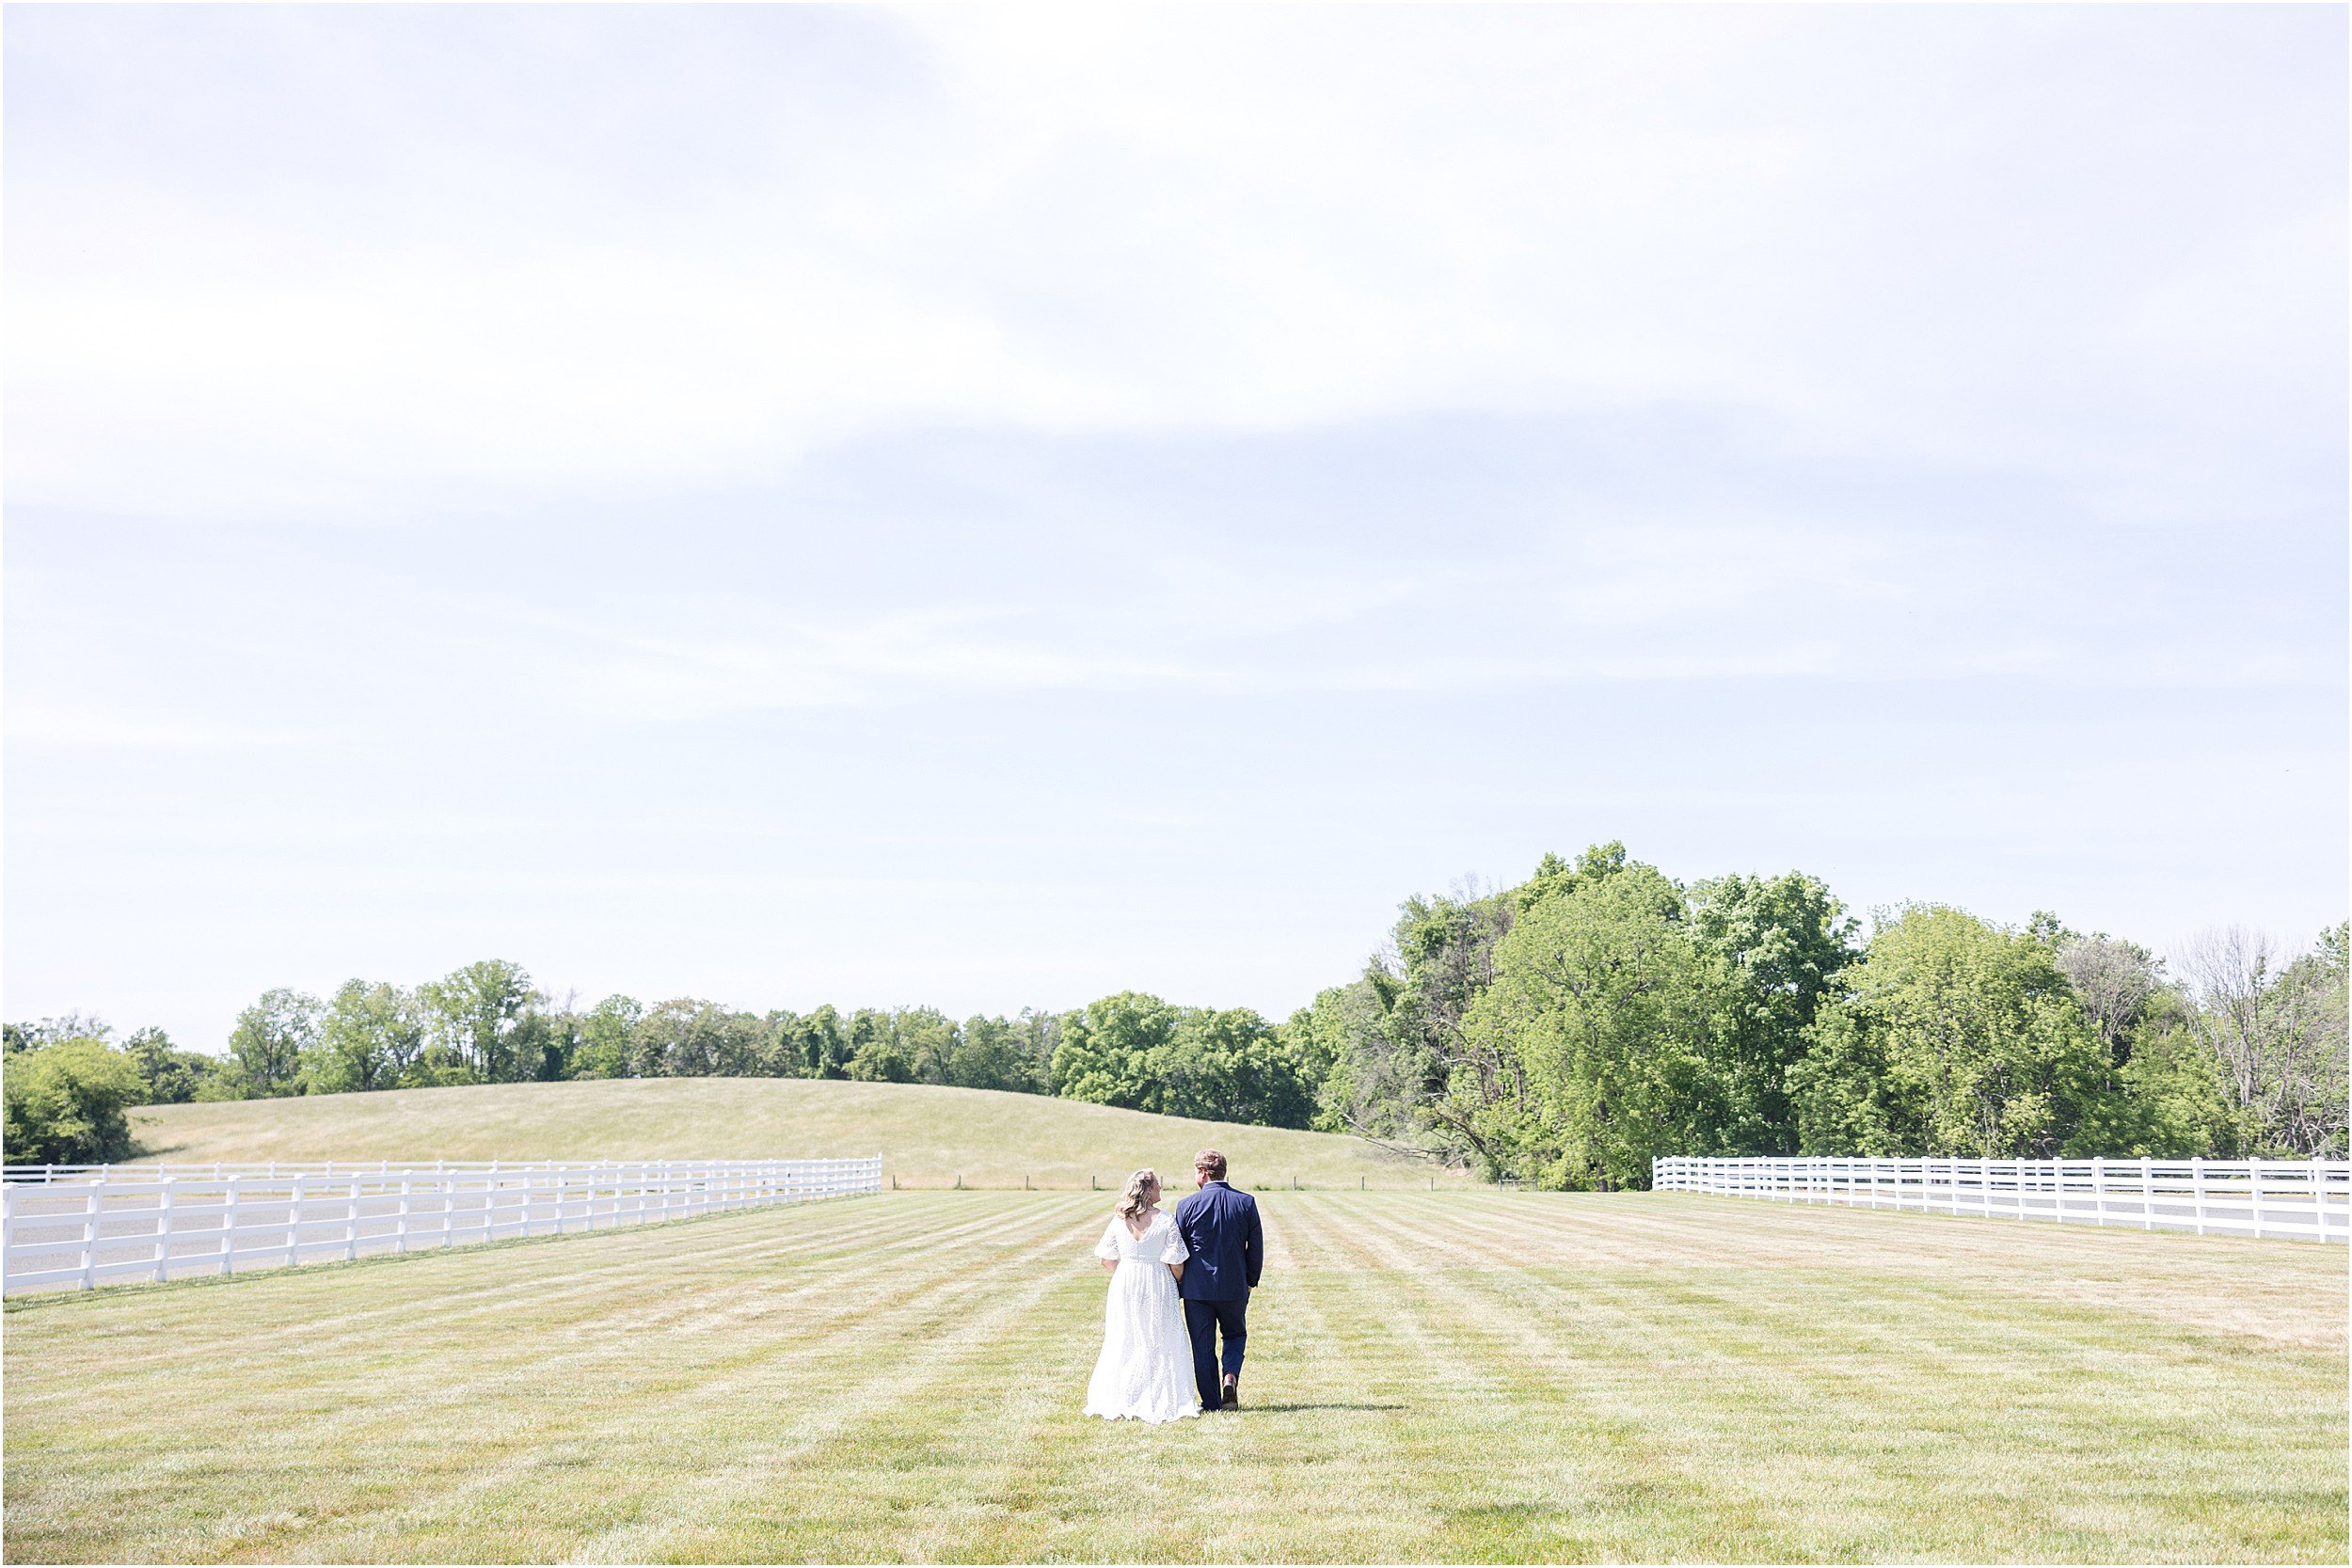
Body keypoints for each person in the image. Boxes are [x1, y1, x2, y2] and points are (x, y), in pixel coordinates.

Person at [1082, 1168, 1200, 1423]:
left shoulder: (1118, 1220)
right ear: (1148, 1190)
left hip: (1125, 1282)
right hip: (1158, 1281)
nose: (1160, 1189)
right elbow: (1177, 1261)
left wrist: (1125, 1273)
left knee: (1125, 1336)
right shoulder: (1166, 1219)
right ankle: (1160, 1395)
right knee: (1160, 1337)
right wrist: (1176, 1281)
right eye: (1157, 1185)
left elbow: (1106, 1257)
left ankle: (1124, 1393)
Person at [1173, 1148, 1262, 1411]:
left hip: (1196, 1289)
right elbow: (1255, 1246)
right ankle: (1231, 1375)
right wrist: (1251, 1280)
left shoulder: (1187, 1205)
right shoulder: (1246, 1202)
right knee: (1235, 1334)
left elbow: (1178, 1249)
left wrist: (1178, 1283)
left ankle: (1212, 1402)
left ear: (1202, 1172)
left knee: (1202, 1346)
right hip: (1234, 1285)